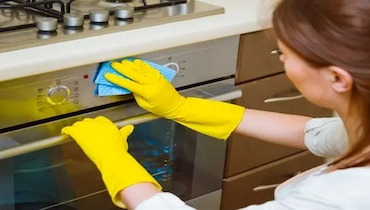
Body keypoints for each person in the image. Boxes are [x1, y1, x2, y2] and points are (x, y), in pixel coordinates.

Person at [62, 0, 370, 209]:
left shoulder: (337, 197)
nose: (282, 61)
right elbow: (316, 133)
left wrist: (114, 160)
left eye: (285, 54)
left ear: (338, 78)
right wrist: (180, 107)